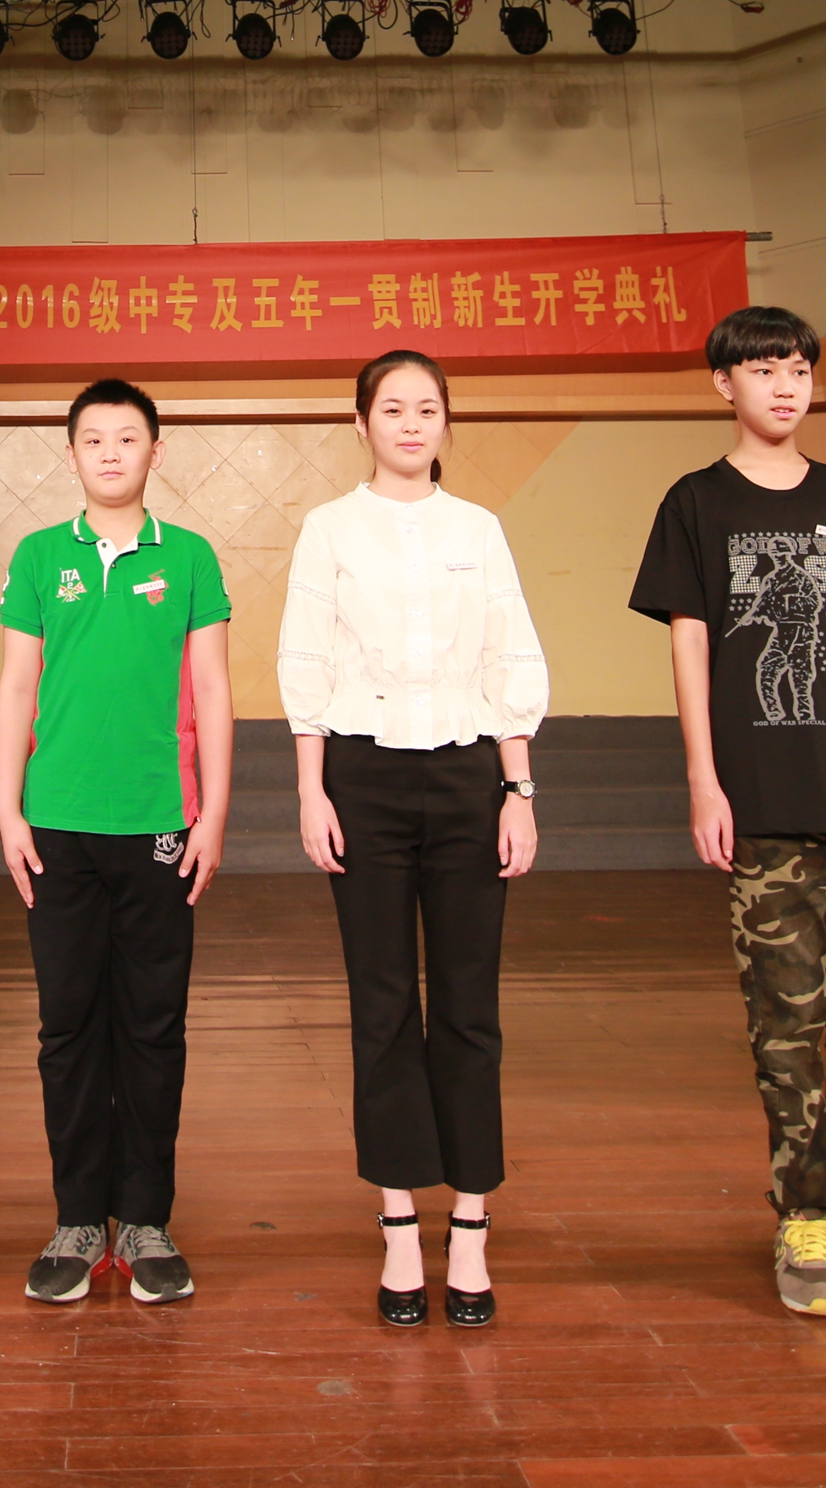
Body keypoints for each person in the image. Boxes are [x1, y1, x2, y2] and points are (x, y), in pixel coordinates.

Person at [627, 306, 826, 1323]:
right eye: (763, 369)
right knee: (786, 1022)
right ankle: (804, 1217)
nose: (784, 385)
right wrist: (702, 778)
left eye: (798, 369)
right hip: (763, 801)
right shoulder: (696, 502)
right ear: (722, 384)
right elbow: (688, 640)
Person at [279, 350, 547, 1328]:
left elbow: (508, 655)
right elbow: (306, 658)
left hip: (470, 777)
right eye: (390, 409)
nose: (408, 423)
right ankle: (398, 1220)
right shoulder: (329, 528)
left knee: (469, 1004)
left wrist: (518, 790)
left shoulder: (477, 528)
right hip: (364, 779)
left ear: (444, 423)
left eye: (425, 408)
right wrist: (311, 790)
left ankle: (469, 1222)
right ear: (361, 423)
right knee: (383, 1001)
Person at [0, 379, 234, 1306]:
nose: (109, 453)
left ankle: (144, 1220)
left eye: (127, 438)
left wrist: (213, 814)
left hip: (159, 824)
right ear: (70, 454)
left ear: (154, 452)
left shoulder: (191, 557)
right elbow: (17, 687)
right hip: (56, 825)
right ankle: (75, 1220)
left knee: (151, 1027)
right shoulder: (37, 555)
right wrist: (9, 810)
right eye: (92, 439)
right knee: (67, 1028)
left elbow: (211, 690)